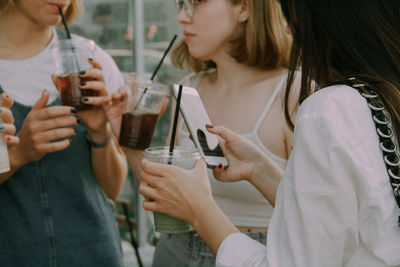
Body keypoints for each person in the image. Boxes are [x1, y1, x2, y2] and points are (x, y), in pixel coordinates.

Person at [139, 0, 400, 266]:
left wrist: (201, 211)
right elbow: (339, 218)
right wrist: (260, 170)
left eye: (294, 13)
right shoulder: (377, 101)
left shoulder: (326, 108)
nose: (289, 29)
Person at [146, 0, 294, 266]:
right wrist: (126, 137)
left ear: (243, 9)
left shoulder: (293, 93)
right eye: (181, 5)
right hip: (173, 251)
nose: (181, 17)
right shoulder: (189, 87)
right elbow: (162, 193)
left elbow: (317, 218)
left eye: (195, 3)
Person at [0, 0, 128, 266]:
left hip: (95, 254)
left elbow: (113, 188)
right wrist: (18, 153)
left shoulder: (90, 59)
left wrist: (99, 131)